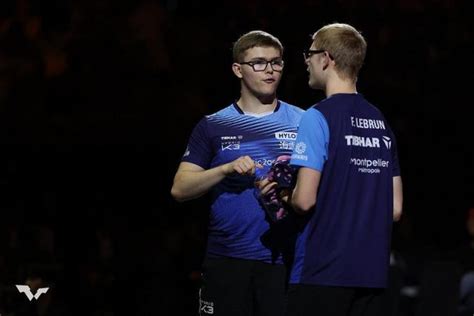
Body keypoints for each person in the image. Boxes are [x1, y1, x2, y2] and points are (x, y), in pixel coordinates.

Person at [260, 23, 403, 316]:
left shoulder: (317, 117)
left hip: (322, 271)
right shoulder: (380, 120)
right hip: (371, 274)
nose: (306, 61)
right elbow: (395, 208)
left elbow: (304, 200)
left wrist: (281, 195)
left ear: (326, 58)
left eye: (309, 54)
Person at [171, 30, 304, 316]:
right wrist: (225, 168)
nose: (269, 70)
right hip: (226, 259)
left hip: (285, 259)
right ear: (237, 69)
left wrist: (288, 193)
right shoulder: (213, 125)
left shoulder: (304, 121)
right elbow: (180, 189)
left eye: (276, 62)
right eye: (258, 62)